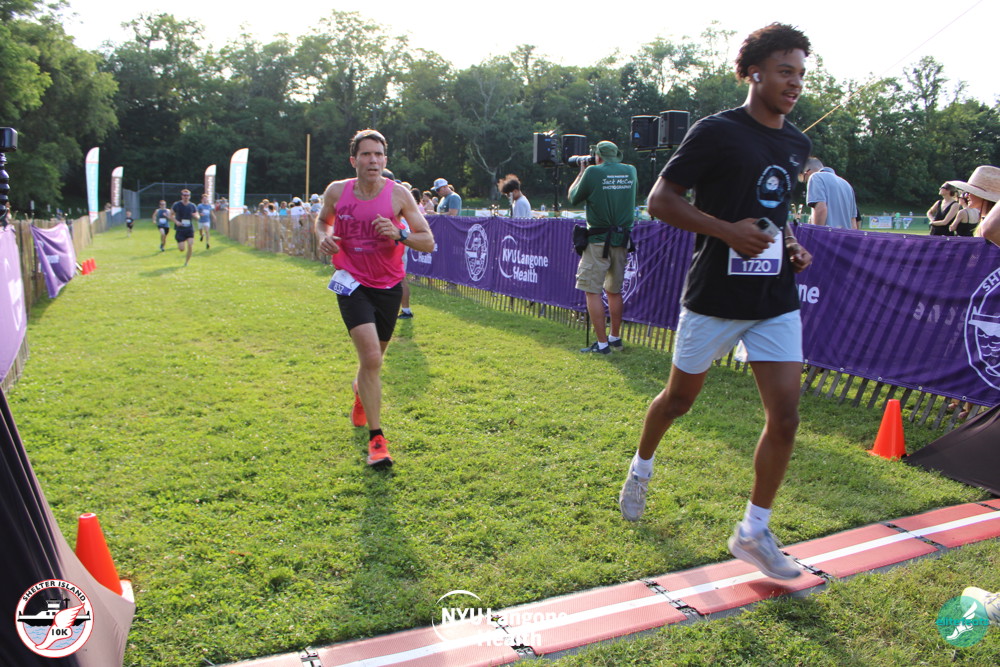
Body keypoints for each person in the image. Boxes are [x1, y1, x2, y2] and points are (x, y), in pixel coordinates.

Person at [617, 23, 814, 582]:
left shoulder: (796, 144)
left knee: (786, 416)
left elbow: (776, 212)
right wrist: (727, 232)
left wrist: (790, 244)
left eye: (801, 74)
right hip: (714, 297)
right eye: (784, 71)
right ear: (753, 72)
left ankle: (754, 530)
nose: (795, 83)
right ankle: (641, 468)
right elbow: (661, 201)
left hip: (774, 298)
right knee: (678, 401)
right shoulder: (717, 131)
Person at [317, 129, 435, 467]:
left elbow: (428, 241)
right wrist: (323, 236)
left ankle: (360, 392)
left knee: (374, 361)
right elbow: (323, 221)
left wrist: (399, 233)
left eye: (379, 155)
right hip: (351, 282)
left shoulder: (398, 194)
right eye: (367, 154)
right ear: (353, 160)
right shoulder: (337, 191)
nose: (373, 160)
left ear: (385, 160)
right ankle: (377, 441)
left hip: (388, 286)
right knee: (371, 358)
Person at [567, 140, 638, 354]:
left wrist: (581, 173)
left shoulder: (593, 172)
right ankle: (615, 338)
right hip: (622, 239)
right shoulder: (631, 171)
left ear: (597, 157)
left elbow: (573, 197)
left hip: (598, 240)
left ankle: (602, 344)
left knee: (592, 291)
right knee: (614, 291)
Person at [800, 157, 859, 229]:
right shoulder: (847, 185)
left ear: (807, 172)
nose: (806, 182)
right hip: (845, 235)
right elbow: (853, 223)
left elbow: (821, 209)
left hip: (827, 235)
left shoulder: (815, 177)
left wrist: (817, 232)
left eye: (804, 178)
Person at [170, 189, 198, 266]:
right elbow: (170, 215)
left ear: (190, 196)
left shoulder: (192, 205)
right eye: (184, 195)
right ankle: (181, 242)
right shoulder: (176, 204)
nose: (186, 197)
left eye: (187, 195)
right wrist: (176, 222)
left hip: (189, 229)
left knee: (190, 245)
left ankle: (186, 262)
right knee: (181, 249)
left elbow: (197, 215)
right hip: (180, 229)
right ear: (182, 196)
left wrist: (196, 216)